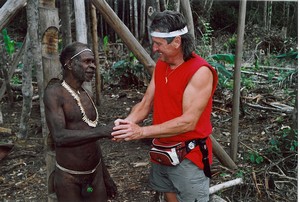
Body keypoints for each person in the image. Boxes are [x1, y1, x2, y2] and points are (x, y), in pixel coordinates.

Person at [112, 10, 218, 202]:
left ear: (176, 42)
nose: (154, 49)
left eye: (159, 44)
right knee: (169, 197)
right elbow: (145, 103)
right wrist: (127, 125)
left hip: (189, 157)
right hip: (163, 151)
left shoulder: (200, 72)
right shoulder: (161, 65)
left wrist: (141, 132)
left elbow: (188, 122)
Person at [44, 42, 116, 202]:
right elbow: (59, 137)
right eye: (87, 61)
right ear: (69, 64)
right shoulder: (55, 93)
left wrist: (105, 175)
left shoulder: (86, 94)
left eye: (93, 62)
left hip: (95, 174)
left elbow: (91, 137)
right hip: (69, 178)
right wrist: (103, 131)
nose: (93, 66)